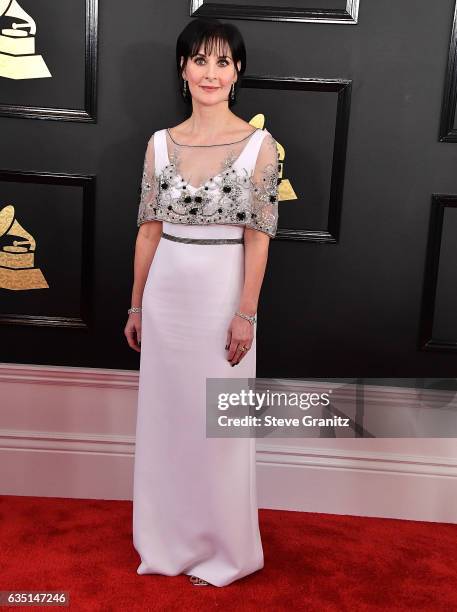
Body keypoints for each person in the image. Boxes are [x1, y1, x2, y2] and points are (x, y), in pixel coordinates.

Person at [125, 17, 279, 588]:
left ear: (237, 72)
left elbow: (258, 240)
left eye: (222, 62)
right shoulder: (159, 144)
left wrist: (246, 313)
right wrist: (136, 305)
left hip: (221, 298)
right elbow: (147, 233)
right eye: (199, 60)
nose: (210, 73)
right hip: (166, 297)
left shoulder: (262, 146)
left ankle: (225, 552)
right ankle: (166, 542)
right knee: (167, 423)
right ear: (183, 69)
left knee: (220, 427)